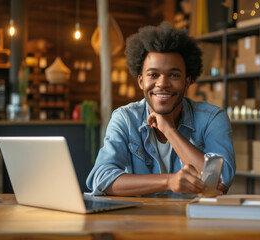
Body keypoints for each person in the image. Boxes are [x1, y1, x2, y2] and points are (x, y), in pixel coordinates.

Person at [86, 22, 235, 196]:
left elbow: (220, 182)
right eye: (153, 75)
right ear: (141, 81)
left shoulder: (212, 118)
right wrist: (168, 181)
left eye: (173, 75)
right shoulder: (125, 119)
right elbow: (101, 179)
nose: (163, 83)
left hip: (194, 220)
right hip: (139, 221)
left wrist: (169, 130)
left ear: (187, 82)